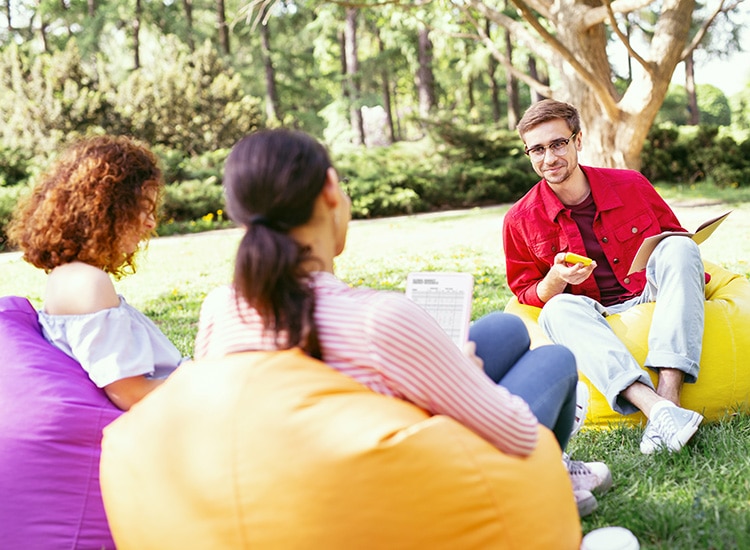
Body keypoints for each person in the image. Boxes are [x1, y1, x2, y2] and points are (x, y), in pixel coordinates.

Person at [194, 128, 611, 516]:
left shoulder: (220, 307)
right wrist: (466, 375)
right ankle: (546, 485)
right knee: (554, 360)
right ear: (329, 190)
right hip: (412, 493)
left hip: (289, 486)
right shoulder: (378, 318)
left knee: (507, 330)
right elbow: (519, 433)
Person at [503, 99, 705, 455]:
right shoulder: (520, 219)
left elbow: (674, 238)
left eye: (558, 144)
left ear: (578, 140)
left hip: (647, 294)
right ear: (528, 154)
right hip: (590, 311)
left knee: (680, 248)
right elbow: (526, 291)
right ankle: (658, 410)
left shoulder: (631, 185)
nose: (549, 158)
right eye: (537, 149)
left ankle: (669, 394)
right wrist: (555, 279)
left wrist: (682, 274)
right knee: (555, 310)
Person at [7, 135, 184, 411]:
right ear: (106, 208)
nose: (151, 223)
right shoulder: (86, 283)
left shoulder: (70, 276)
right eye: (142, 209)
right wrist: (202, 377)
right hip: (165, 418)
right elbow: (131, 394)